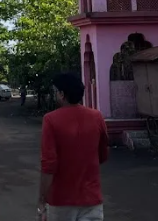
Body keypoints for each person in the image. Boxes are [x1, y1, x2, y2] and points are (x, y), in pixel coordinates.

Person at [37, 73, 109, 221]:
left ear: (62, 94)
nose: (55, 95)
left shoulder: (50, 120)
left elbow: (48, 165)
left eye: (55, 92)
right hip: (92, 199)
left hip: (61, 201)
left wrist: (42, 199)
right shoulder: (97, 117)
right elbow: (102, 156)